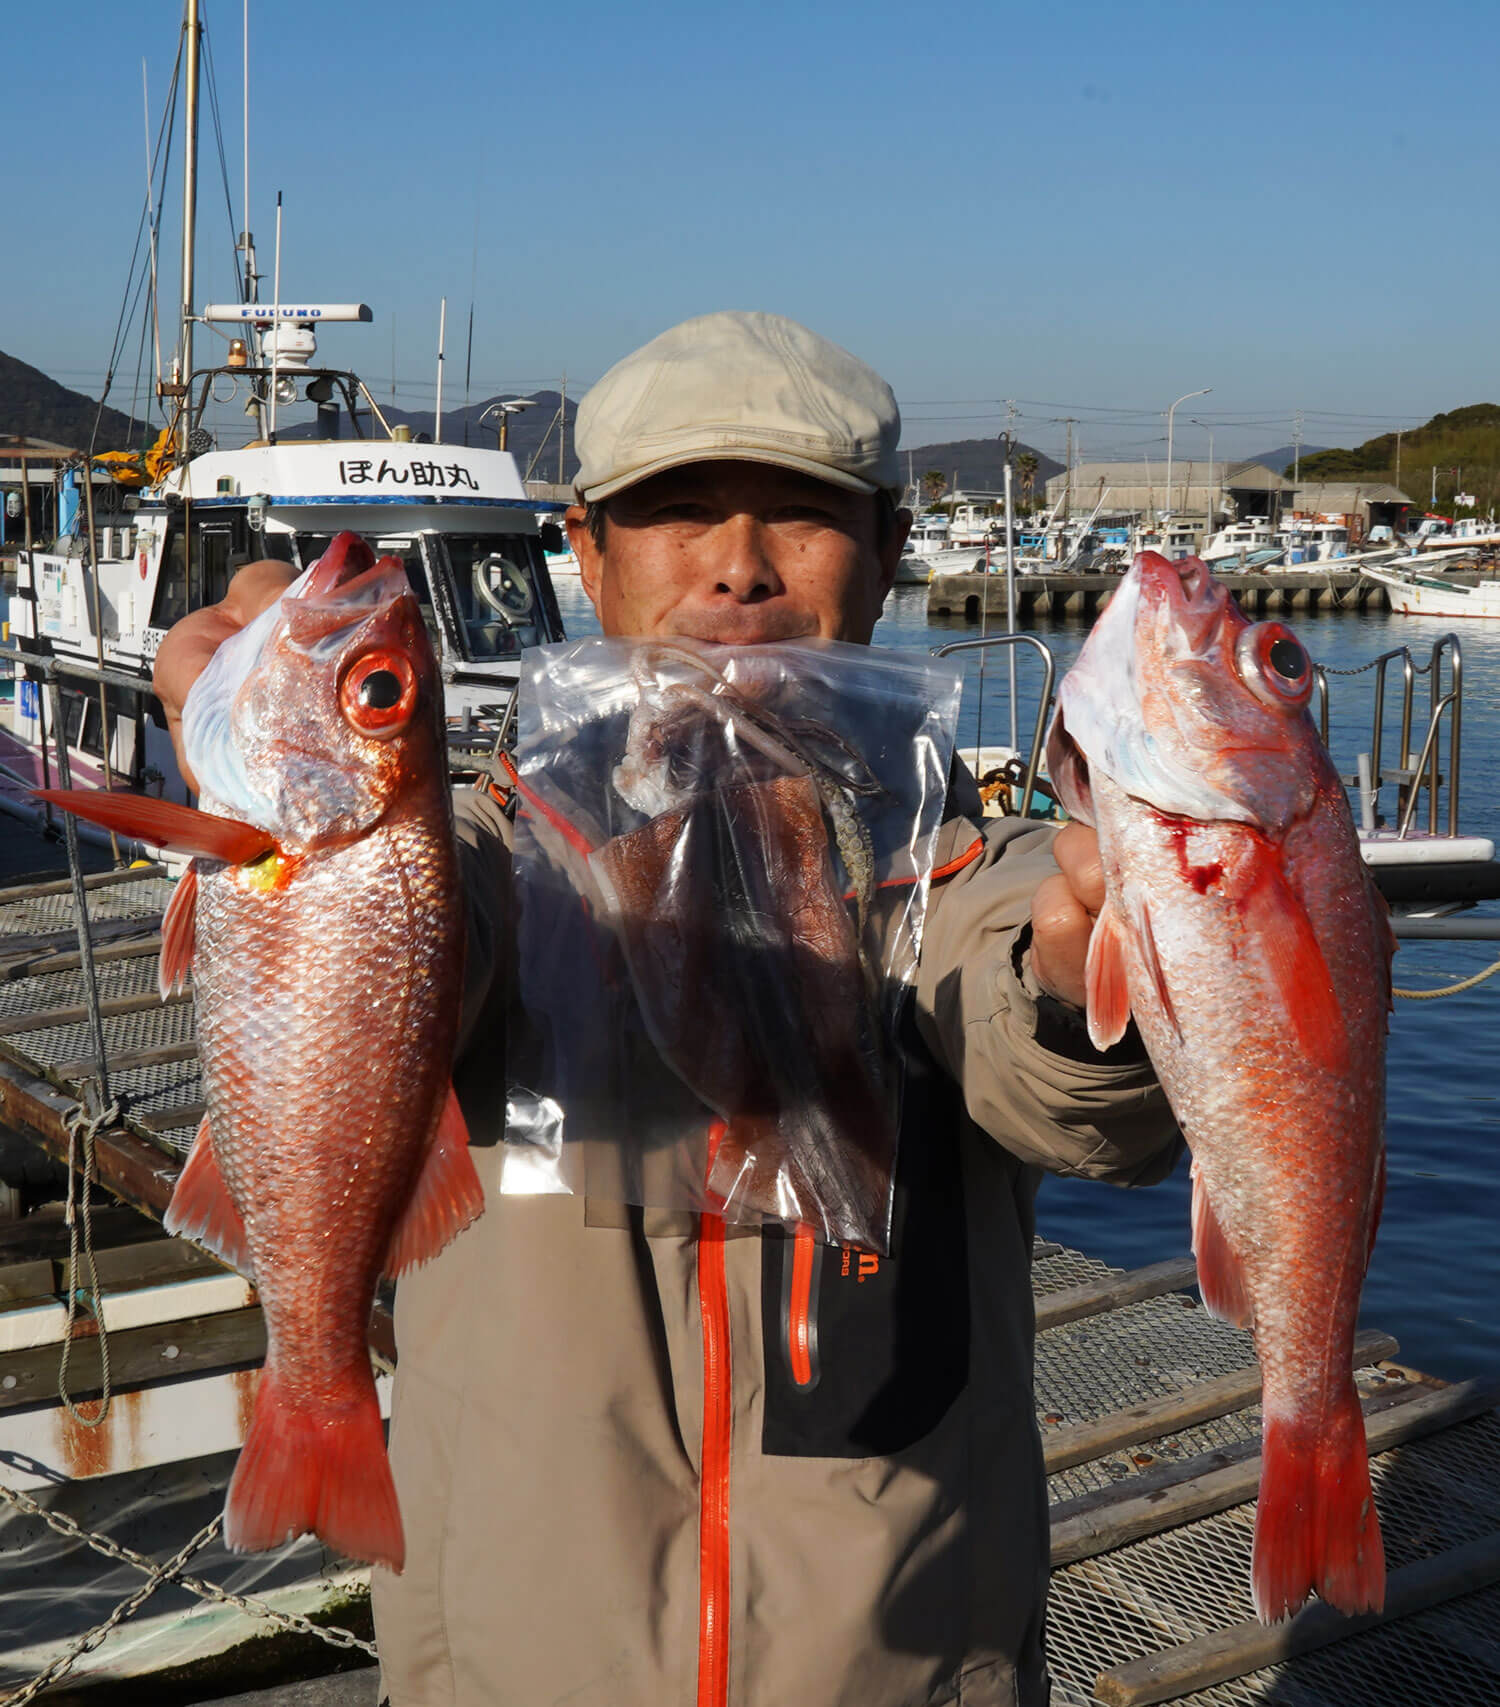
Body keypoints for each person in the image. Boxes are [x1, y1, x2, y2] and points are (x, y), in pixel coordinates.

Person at [154, 311, 1180, 1707]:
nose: (739, 565)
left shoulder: (966, 859)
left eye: (802, 518)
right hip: (516, 1666)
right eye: (677, 513)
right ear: (585, 551)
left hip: (905, 1666)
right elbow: (417, 947)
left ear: (886, 548)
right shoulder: (488, 857)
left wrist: (1077, 990)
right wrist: (277, 787)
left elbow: (1044, 1060)